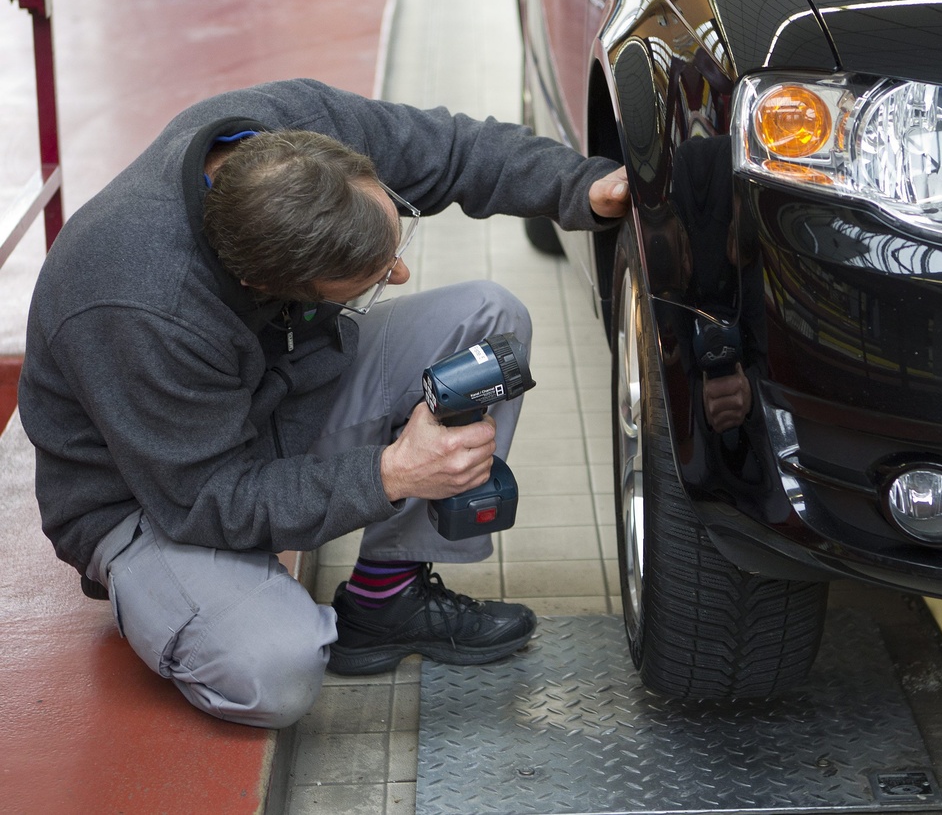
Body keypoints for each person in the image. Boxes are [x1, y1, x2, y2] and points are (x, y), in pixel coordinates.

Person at [18, 78, 629, 728]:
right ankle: (177, 591)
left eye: (396, 246)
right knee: (275, 668)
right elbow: (207, 498)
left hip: (269, 394)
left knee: (486, 321)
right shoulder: (143, 306)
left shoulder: (296, 132)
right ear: (265, 283)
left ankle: (386, 598)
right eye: (369, 280)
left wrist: (580, 186)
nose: (399, 276)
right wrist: (392, 473)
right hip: (154, 497)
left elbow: (449, 148)